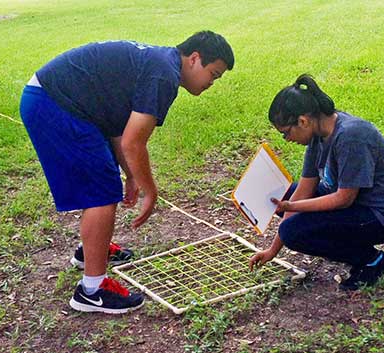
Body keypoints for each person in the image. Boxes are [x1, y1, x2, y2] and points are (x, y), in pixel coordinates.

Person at [20, 31, 234, 313]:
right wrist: (150, 190)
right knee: (101, 193)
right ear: (194, 58)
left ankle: (92, 251)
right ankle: (92, 291)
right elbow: (134, 142)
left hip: (59, 100)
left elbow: (119, 132)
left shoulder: (161, 63)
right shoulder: (164, 75)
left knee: (104, 179)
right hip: (53, 103)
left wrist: (132, 175)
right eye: (213, 74)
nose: (211, 83)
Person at [249, 74, 384, 291]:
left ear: (303, 121)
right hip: (352, 204)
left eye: (286, 133)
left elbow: (343, 199)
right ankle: (343, 243)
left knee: (293, 232)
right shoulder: (318, 136)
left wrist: (292, 209)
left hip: (379, 215)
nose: (288, 140)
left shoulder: (352, 136)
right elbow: (303, 190)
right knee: (282, 196)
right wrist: (272, 250)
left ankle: (372, 260)